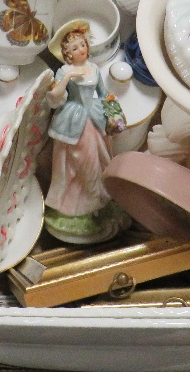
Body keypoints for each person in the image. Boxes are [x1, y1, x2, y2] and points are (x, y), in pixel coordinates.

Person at [43, 19, 129, 243]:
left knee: (100, 157)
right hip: (73, 118)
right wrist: (68, 77)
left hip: (95, 116)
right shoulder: (64, 71)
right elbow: (54, 99)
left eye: (82, 45)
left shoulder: (94, 69)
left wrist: (114, 114)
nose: (80, 50)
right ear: (67, 55)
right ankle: (80, 203)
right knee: (77, 160)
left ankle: (97, 199)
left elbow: (104, 94)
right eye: (74, 48)